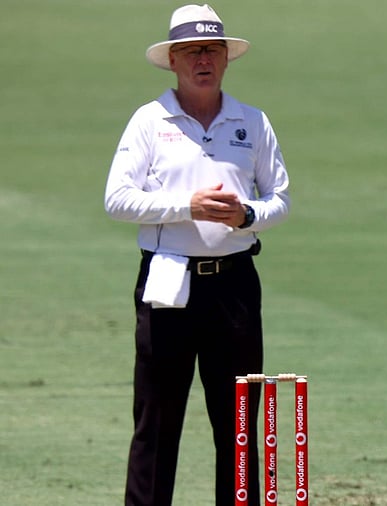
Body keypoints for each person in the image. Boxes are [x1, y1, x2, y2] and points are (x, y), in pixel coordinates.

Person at [104, 4, 290, 505]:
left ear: (226, 57)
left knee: (239, 423)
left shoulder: (251, 121)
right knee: (156, 422)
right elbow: (117, 200)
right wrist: (188, 207)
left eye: (211, 49)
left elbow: (280, 200)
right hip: (168, 283)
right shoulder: (150, 120)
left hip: (233, 285)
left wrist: (244, 216)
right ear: (174, 61)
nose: (202, 59)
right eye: (190, 51)